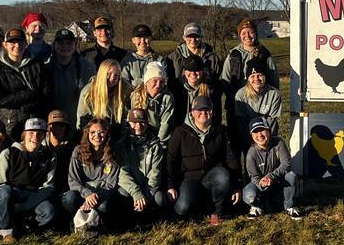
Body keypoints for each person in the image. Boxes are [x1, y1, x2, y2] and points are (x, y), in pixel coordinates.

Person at [165, 95, 240, 223]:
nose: (204, 113)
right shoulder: (180, 132)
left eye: (207, 110)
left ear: (212, 112)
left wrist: (236, 186)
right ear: (192, 112)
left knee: (223, 176)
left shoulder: (221, 131)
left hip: (213, 175)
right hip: (190, 178)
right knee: (182, 208)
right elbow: (171, 160)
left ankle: (218, 212)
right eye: (199, 110)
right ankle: (201, 207)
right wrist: (171, 185)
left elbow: (231, 159)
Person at [62, 118, 143, 235]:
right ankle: (75, 222)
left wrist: (94, 198)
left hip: (103, 194)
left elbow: (111, 183)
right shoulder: (78, 151)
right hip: (83, 193)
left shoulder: (113, 153)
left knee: (104, 206)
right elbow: (73, 180)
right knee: (69, 198)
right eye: (93, 132)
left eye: (101, 132)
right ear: (87, 134)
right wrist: (87, 194)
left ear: (107, 134)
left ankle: (100, 224)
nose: (97, 135)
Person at [0, 116, 59, 242]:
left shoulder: (50, 156)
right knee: (5, 191)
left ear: (44, 136)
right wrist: (14, 202)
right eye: (31, 133)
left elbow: (48, 186)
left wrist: (25, 205)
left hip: (34, 195)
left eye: (40, 133)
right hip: (11, 196)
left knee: (49, 211)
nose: (35, 137)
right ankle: (7, 231)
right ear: (24, 134)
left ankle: (28, 228)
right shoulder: (8, 153)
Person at [0, 27, 50, 139]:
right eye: (12, 42)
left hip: (36, 120)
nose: (17, 45)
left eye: (20, 42)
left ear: (26, 44)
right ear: (5, 45)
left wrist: (29, 106)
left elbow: (46, 92)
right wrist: (25, 94)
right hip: (11, 124)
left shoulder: (36, 64)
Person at [220, 18, 279, 127]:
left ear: (256, 34)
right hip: (237, 104)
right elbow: (225, 80)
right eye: (243, 33)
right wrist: (233, 98)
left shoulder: (265, 54)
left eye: (251, 32)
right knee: (237, 138)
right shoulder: (233, 54)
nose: (247, 35)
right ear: (239, 35)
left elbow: (274, 82)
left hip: (260, 105)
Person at [241, 118, 300, 219]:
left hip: (278, 180)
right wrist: (261, 182)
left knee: (291, 176)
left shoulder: (279, 143)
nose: (259, 135)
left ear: (269, 131)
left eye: (262, 130)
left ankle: (289, 206)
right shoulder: (251, 153)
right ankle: (258, 206)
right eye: (255, 132)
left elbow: (286, 164)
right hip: (261, 184)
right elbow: (253, 176)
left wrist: (271, 177)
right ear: (251, 135)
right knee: (249, 194)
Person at [117, 108, 166, 219]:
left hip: (148, 189)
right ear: (128, 123)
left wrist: (146, 196)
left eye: (142, 122)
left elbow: (156, 174)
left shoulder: (155, 145)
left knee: (160, 198)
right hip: (130, 188)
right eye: (134, 122)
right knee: (121, 194)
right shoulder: (121, 146)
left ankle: (149, 216)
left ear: (147, 124)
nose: (138, 126)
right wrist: (137, 194)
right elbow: (122, 174)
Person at [232, 61, 283, 154]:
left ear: (265, 76)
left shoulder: (274, 94)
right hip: (248, 136)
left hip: (267, 136)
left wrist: (265, 141)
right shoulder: (241, 95)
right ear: (247, 78)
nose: (256, 79)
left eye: (259, 75)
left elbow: (272, 122)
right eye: (252, 76)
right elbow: (241, 122)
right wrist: (251, 142)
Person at [48, 27, 95, 128]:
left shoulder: (87, 68)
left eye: (69, 43)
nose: (65, 46)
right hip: (52, 122)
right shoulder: (45, 67)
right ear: (54, 45)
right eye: (61, 43)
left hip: (78, 122)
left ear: (75, 45)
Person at [77, 58, 131, 131]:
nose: (112, 78)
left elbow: (129, 115)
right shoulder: (88, 92)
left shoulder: (126, 90)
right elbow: (82, 119)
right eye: (108, 74)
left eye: (116, 75)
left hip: (118, 131)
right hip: (96, 132)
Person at [130, 62, 177, 143]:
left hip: (159, 136)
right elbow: (133, 121)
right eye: (154, 81)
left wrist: (158, 142)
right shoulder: (137, 95)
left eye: (161, 82)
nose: (158, 85)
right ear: (147, 82)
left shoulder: (168, 97)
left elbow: (166, 123)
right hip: (141, 133)